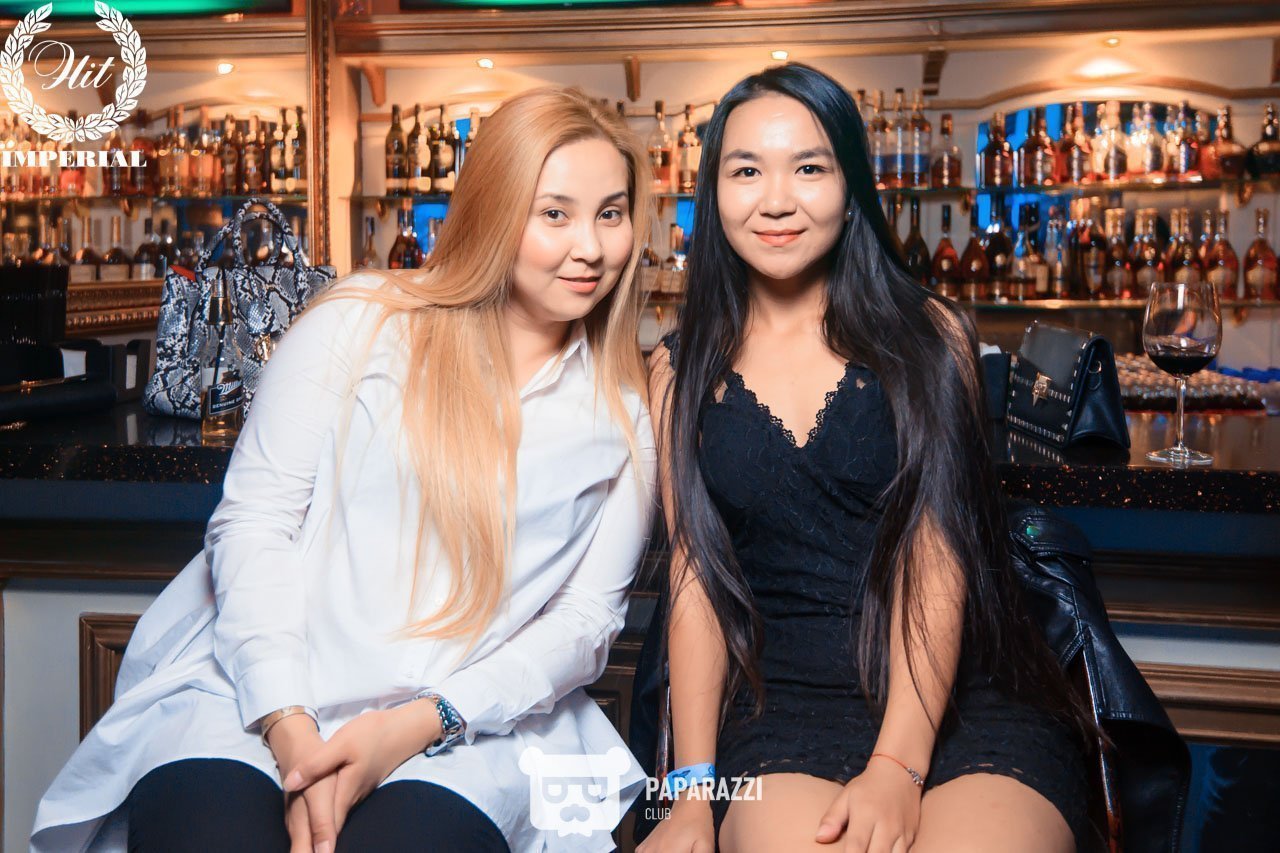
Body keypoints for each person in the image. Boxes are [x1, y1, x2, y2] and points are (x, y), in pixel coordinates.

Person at [32, 86, 656, 853]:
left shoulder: (624, 409)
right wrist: (292, 731)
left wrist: (414, 724)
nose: (590, 246)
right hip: (259, 690)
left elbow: (584, 623)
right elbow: (255, 522)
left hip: (463, 724)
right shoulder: (361, 320)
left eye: (611, 213)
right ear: (494, 210)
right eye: (554, 213)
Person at [639, 64, 1096, 853]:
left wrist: (896, 763)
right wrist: (690, 793)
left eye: (809, 168)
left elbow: (938, 550)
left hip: (960, 701)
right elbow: (695, 582)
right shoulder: (679, 371)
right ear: (712, 193)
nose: (775, 200)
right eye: (745, 171)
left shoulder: (930, 337)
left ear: (851, 188)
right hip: (781, 709)